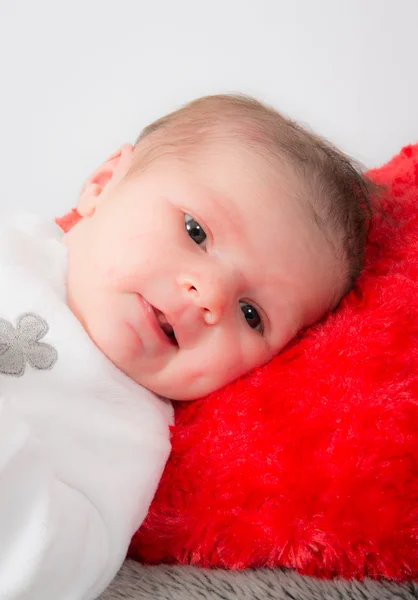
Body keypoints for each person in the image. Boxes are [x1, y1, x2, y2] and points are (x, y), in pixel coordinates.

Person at [0, 94, 374, 599]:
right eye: (195, 232)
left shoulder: (127, 433)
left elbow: (56, 569)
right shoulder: (12, 243)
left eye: (251, 314)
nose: (212, 297)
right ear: (105, 185)